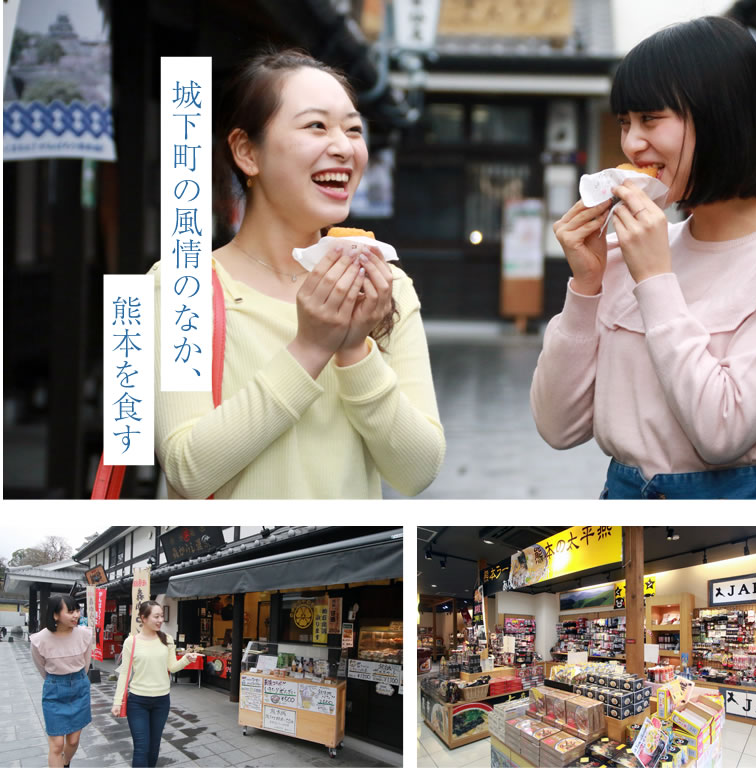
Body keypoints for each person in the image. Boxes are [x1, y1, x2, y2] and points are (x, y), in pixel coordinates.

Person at [531, 16, 756, 499]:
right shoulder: (633, 250)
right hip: (619, 497)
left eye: (650, 119)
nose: (631, 144)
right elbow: (558, 426)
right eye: (625, 123)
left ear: (720, 117)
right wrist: (585, 287)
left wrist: (655, 279)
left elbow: (723, 432)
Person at [152, 49, 445, 499]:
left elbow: (418, 470)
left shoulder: (386, 285)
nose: (345, 148)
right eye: (316, 126)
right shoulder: (176, 285)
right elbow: (186, 469)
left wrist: (354, 349)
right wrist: (311, 346)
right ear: (247, 152)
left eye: (353, 129)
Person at [111, 601, 197, 768]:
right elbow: (124, 674)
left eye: (162, 616)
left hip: (161, 701)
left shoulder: (167, 640)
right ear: (143, 618)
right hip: (137, 702)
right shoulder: (132, 642)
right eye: (156, 616)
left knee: (154, 747)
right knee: (141, 748)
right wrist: (117, 701)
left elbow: (172, 667)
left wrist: (186, 659)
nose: (160, 620)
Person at [30, 595, 94, 768]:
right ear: (55, 615)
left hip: (79, 686)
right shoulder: (39, 639)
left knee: (73, 741)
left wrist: (76, 680)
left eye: (77, 610)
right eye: (70, 611)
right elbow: (41, 667)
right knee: (57, 743)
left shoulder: (85, 634)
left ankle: (65, 762)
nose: (76, 615)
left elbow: (86, 663)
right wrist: (57, 680)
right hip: (54, 690)